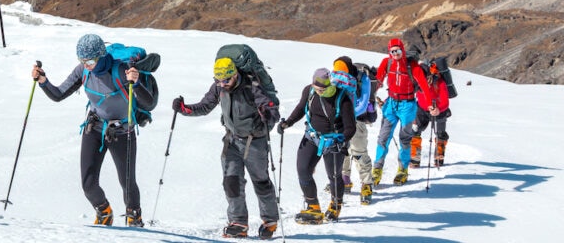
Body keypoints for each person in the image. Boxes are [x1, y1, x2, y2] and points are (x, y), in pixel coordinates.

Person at [32, 34, 152, 227]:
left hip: (122, 131)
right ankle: (104, 212)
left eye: (89, 60)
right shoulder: (83, 71)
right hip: (94, 128)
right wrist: (43, 81)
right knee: (88, 184)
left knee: (127, 182)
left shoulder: (122, 70)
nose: (86, 64)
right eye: (82, 60)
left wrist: (135, 83)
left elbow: (148, 102)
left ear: (101, 55)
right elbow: (59, 94)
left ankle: (134, 217)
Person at [172, 56, 281, 239]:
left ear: (235, 74)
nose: (222, 84)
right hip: (232, 141)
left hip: (255, 141)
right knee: (231, 182)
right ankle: (238, 222)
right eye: (218, 80)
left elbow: (272, 110)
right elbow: (205, 106)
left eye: (226, 80)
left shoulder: (252, 86)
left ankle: (270, 221)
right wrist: (184, 109)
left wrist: (268, 114)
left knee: (261, 182)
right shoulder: (218, 87)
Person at [278, 68, 357, 224]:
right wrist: (288, 123)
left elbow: (350, 127)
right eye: (317, 88)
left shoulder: (342, 98)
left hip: (334, 140)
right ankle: (313, 206)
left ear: (329, 85)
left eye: (323, 89)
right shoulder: (309, 91)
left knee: (333, 175)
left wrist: (342, 140)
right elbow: (301, 108)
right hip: (312, 136)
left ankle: (335, 205)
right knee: (303, 169)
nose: (320, 91)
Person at [371, 38, 435, 186]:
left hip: (408, 105)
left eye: (397, 50)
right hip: (391, 103)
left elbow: (424, 86)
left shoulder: (413, 66)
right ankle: (377, 170)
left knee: (404, 138)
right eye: (392, 51)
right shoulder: (386, 63)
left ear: (402, 50)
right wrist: (371, 95)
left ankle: (402, 170)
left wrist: (431, 104)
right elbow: (378, 80)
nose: (395, 53)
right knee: (383, 137)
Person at [333, 56, 378, 205]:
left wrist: (346, 113)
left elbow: (363, 103)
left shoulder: (362, 79)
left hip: (356, 120)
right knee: (341, 150)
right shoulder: (335, 77)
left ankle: (366, 184)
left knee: (358, 153)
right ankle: (344, 179)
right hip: (340, 120)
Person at [410, 59, 452, 168]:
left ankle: (439, 158)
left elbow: (445, 102)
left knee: (441, 134)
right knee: (415, 130)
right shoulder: (417, 82)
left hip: (439, 110)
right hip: (422, 109)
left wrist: (438, 109)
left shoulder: (440, 82)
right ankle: (415, 159)